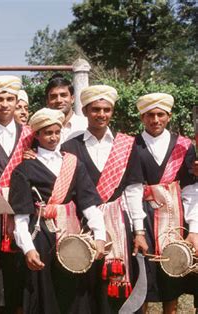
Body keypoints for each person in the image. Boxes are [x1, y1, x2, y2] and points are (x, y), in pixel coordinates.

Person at [9, 108, 106, 314]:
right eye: (47, 133)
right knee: (45, 294)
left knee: (74, 293)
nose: (53, 137)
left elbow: (88, 203)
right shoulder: (24, 169)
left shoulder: (73, 163)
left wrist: (100, 235)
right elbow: (21, 217)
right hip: (42, 238)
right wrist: (28, 248)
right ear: (36, 135)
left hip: (71, 237)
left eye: (56, 132)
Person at [62, 85, 148, 313]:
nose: (101, 114)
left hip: (119, 226)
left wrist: (139, 231)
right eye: (96, 109)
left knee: (115, 288)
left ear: (112, 112)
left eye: (107, 109)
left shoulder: (127, 146)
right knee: (85, 287)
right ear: (85, 110)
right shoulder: (69, 147)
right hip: (82, 225)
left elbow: (133, 190)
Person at [134, 93, 198, 314]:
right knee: (144, 273)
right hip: (144, 217)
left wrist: (194, 226)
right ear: (142, 117)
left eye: (160, 114)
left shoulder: (183, 146)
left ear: (169, 116)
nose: (155, 120)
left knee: (173, 274)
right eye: (149, 115)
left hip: (175, 216)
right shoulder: (132, 144)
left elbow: (191, 187)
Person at [0, 75, 32, 314]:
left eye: (9, 99)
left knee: (20, 273)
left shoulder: (30, 135)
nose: (4, 104)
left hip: (22, 212)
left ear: (16, 101)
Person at [45, 74, 87, 143]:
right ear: (47, 102)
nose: (59, 100)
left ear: (72, 99)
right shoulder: (41, 129)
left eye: (63, 95)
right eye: (53, 96)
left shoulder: (86, 125)